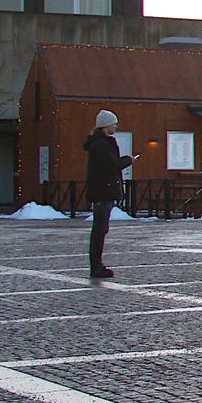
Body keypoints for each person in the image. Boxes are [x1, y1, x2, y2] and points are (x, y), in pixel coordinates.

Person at [83, 110, 131, 278]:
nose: (116, 126)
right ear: (105, 125)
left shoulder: (100, 143)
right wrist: (128, 160)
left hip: (102, 191)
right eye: (113, 123)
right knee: (100, 229)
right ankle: (96, 266)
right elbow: (110, 166)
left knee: (101, 229)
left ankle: (97, 265)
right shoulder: (102, 144)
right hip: (103, 191)